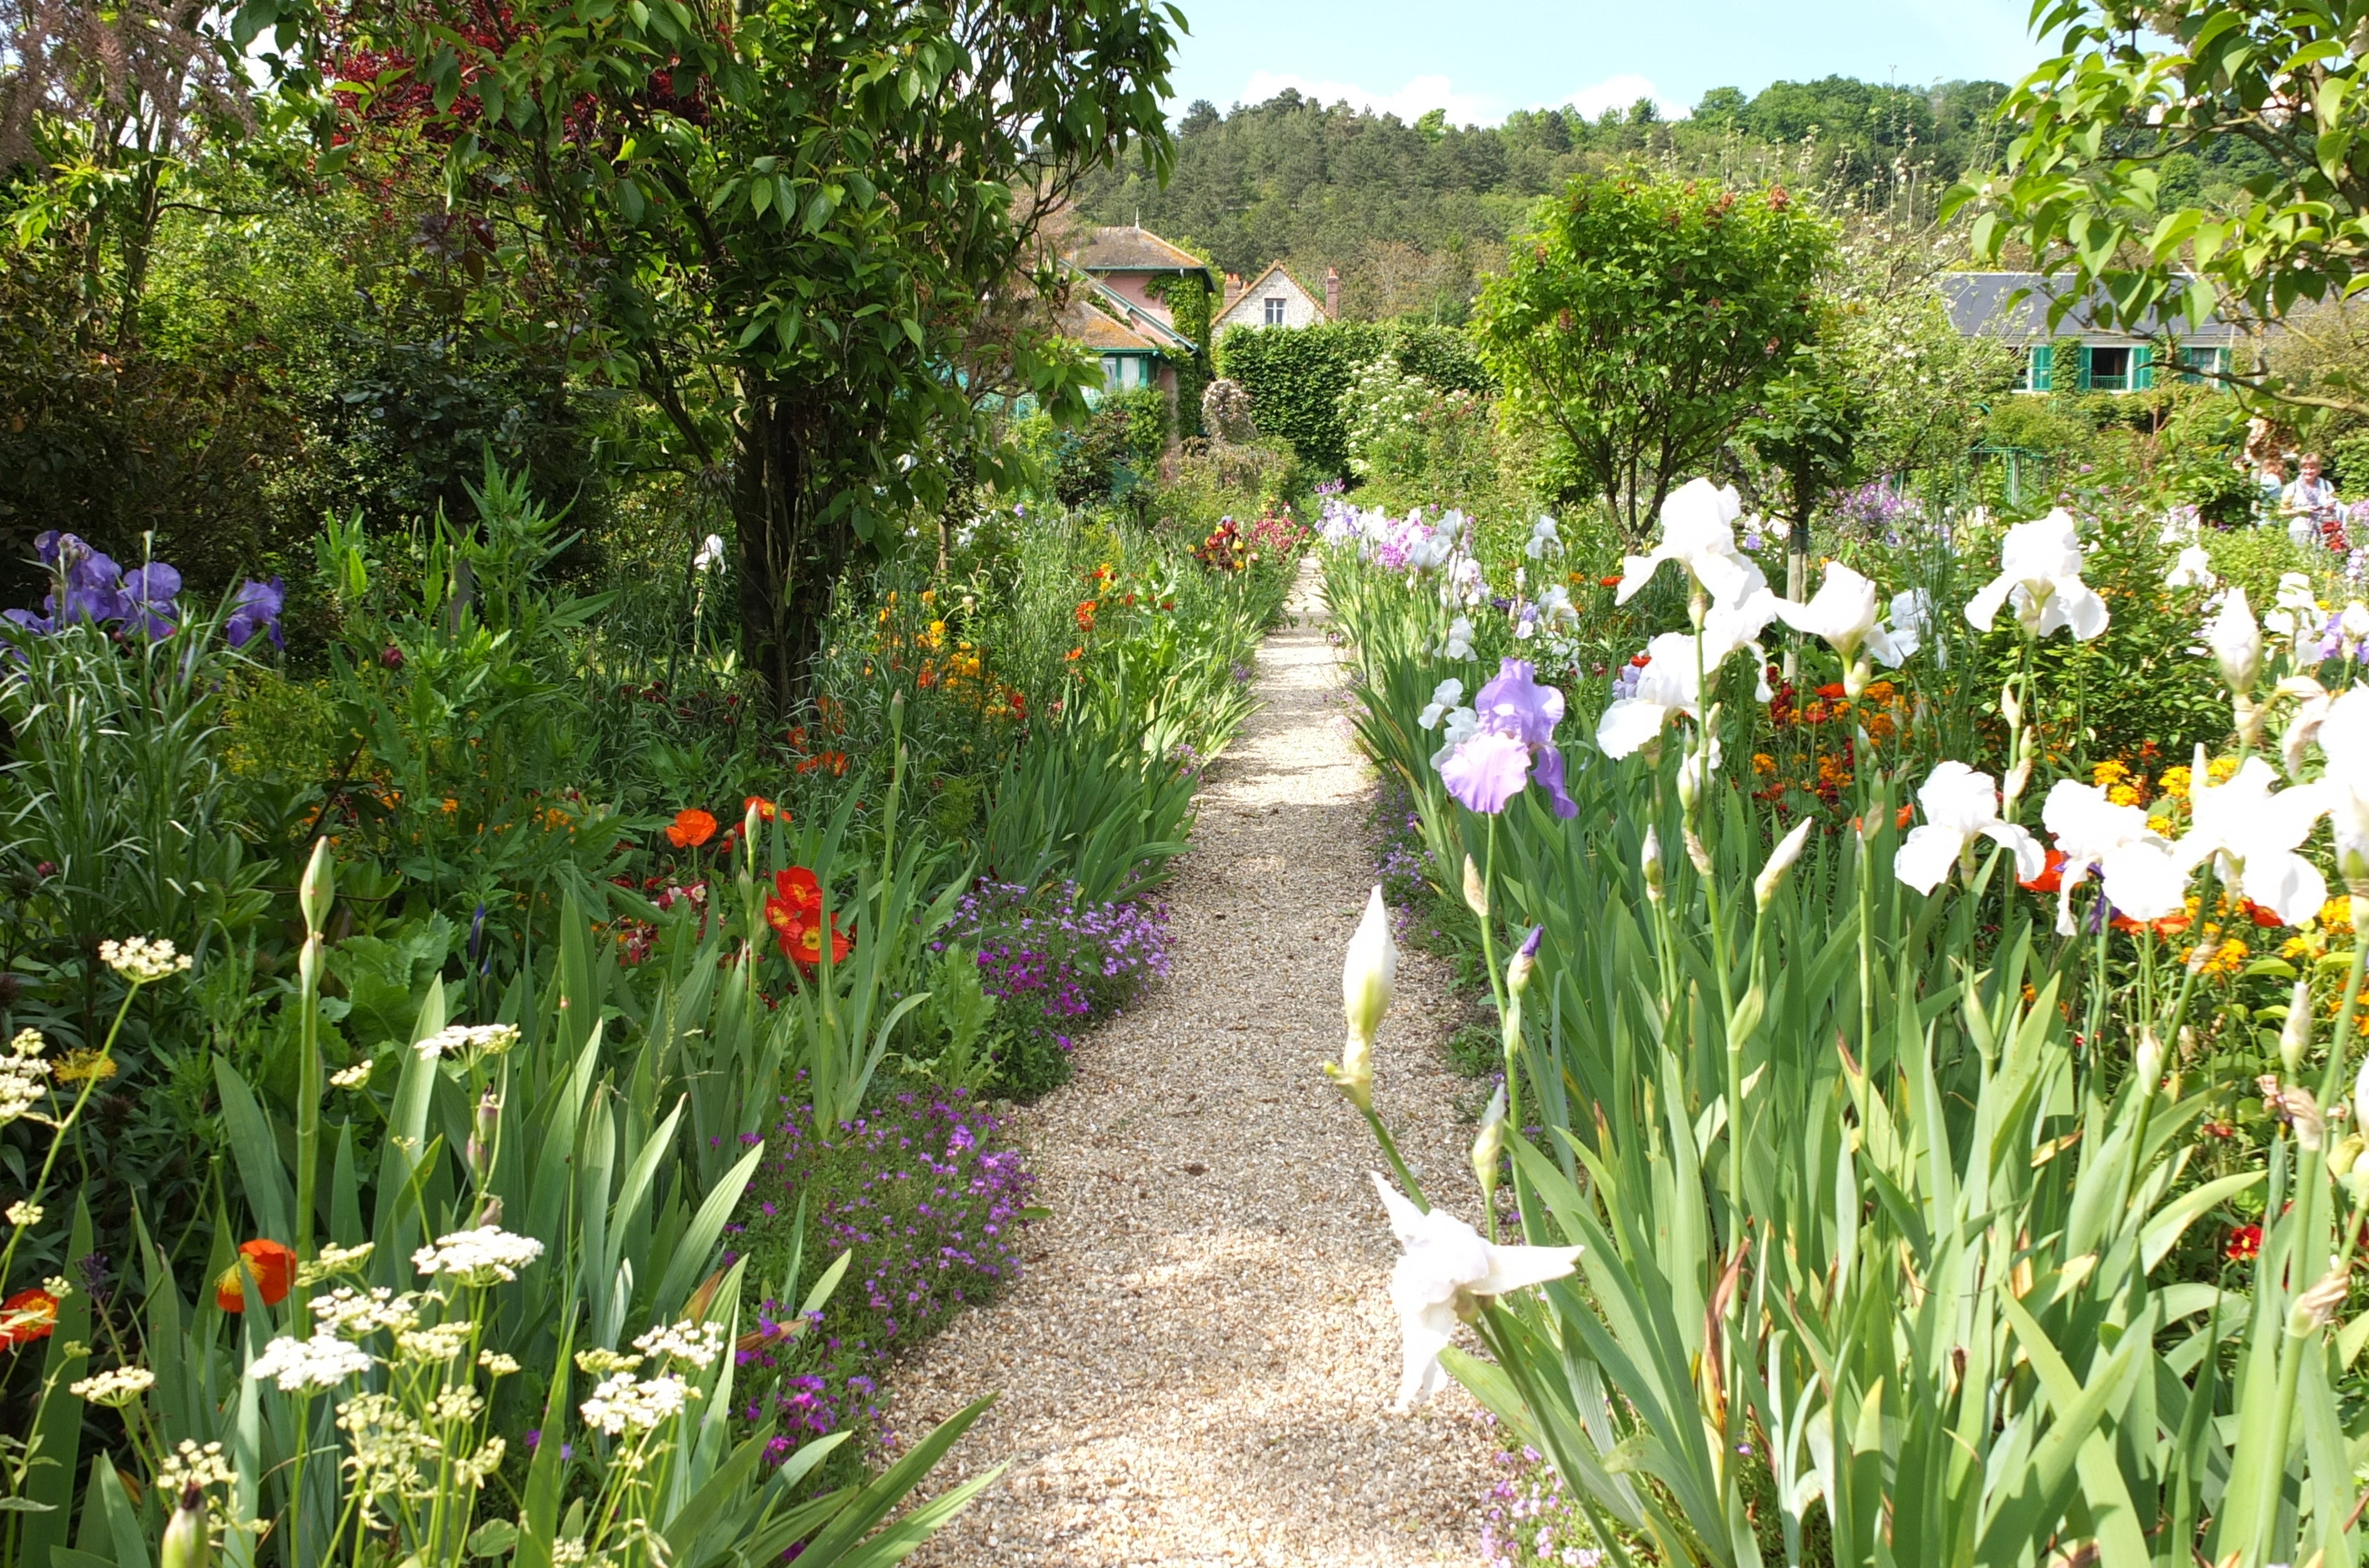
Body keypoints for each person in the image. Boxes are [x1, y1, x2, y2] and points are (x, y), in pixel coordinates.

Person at [2284, 452, 2341, 548]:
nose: (2308, 471)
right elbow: (2282, 511)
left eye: (2312, 468)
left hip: (2324, 528)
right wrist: (2301, 510)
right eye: (2305, 468)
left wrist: (2330, 506)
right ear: (2300, 469)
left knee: (2323, 560)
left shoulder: (2326, 485)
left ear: (2318, 469)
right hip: (2300, 528)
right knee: (2302, 559)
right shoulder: (2292, 487)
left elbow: (2333, 504)